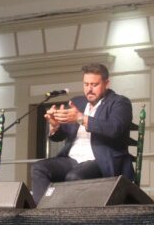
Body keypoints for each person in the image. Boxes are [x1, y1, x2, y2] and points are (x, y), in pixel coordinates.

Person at [31, 63, 134, 204]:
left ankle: (73, 218)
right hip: (72, 159)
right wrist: (55, 126)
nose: (89, 89)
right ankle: (45, 214)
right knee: (39, 168)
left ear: (106, 83)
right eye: (86, 84)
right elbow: (61, 135)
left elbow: (115, 128)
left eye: (94, 84)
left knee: (75, 176)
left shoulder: (119, 103)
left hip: (101, 160)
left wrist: (81, 118)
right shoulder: (77, 102)